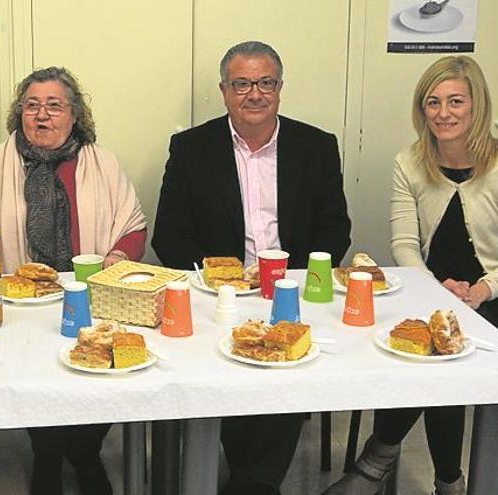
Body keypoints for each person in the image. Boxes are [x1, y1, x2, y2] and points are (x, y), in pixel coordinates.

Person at [152, 41, 351, 494]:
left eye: (265, 83)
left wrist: (293, 283)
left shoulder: (316, 146)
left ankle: (250, 483)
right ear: (224, 91)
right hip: (219, 296)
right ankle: (255, 481)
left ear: (280, 88)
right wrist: (217, 282)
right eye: (242, 83)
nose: (254, 94)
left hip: (292, 290)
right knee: (225, 367)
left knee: (287, 365)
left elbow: (334, 229)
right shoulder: (191, 149)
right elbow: (170, 236)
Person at [0, 67, 147, 495]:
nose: (42, 115)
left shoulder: (104, 163)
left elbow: (133, 227)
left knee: (97, 370)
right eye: (32, 105)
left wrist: (116, 257)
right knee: (33, 374)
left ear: (74, 114)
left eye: (54, 106)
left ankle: (83, 451)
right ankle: (46, 453)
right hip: (21, 303)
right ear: (19, 113)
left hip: (90, 295)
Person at [325, 55, 498, 495]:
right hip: (429, 289)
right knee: (416, 348)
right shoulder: (410, 162)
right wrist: (432, 289)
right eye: (433, 102)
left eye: (455, 101)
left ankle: (375, 464)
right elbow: (404, 243)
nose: (443, 113)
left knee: (443, 351)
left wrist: (482, 289)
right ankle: (448, 483)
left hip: (497, 297)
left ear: (476, 105)